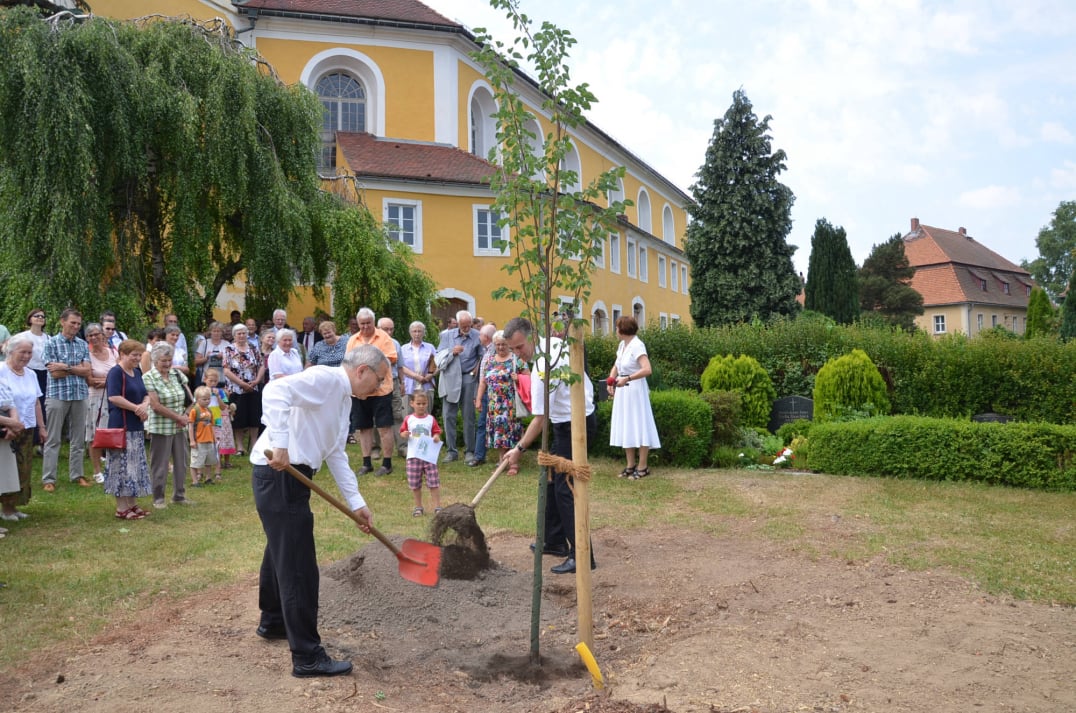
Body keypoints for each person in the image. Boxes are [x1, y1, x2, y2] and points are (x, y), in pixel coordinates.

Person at [250, 344, 387, 678]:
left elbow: (335, 453)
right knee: (298, 566)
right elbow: (275, 390)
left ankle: (274, 621)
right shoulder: (326, 379)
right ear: (362, 371)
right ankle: (308, 657)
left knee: (280, 549)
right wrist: (280, 443)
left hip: (288, 478)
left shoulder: (342, 400)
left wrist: (358, 504)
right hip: (279, 472)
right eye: (379, 380)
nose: (380, 387)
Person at [503, 316, 596, 575]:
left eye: (520, 347)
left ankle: (582, 555)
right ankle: (554, 540)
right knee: (552, 480)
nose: (518, 354)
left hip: (575, 425)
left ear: (532, 336)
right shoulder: (554, 347)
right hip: (567, 422)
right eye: (513, 349)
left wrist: (518, 450)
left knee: (566, 489)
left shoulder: (544, 364)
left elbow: (540, 418)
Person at [42, 308, 92, 491]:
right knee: (53, 438)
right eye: (73, 323)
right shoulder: (51, 343)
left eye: (78, 324)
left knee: (78, 438)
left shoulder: (82, 344)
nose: (76, 327)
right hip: (57, 395)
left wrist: (67, 368)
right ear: (62, 321)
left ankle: (77, 474)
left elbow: (87, 370)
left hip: (80, 394)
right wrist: (76, 368)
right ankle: (49, 478)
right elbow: (54, 373)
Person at [104, 339, 153, 520]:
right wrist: (136, 408)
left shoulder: (137, 371)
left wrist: (144, 405)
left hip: (136, 424)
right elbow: (114, 397)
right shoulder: (116, 372)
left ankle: (132, 503)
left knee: (133, 465)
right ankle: (121, 507)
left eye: (139, 355)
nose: (137, 358)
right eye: (134, 355)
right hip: (121, 425)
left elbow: (146, 393)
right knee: (120, 466)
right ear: (123, 354)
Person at [607, 315, 661, 479]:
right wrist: (610, 381)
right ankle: (630, 464)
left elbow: (647, 369)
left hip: (635, 389)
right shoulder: (622, 345)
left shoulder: (638, 345)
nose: (616, 330)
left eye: (617, 328)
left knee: (639, 424)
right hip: (623, 390)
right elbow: (616, 365)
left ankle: (643, 466)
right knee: (626, 425)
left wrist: (628, 378)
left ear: (623, 329)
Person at [345, 308, 397, 476]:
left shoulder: (384, 338)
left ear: (374, 322)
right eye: (362, 324)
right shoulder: (353, 340)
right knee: (364, 428)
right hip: (360, 392)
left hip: (381, 390)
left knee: (384, 427)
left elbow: (390, 359)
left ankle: (387, 463)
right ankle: (366, 463)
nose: (365, 327)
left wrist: (371, 369)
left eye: (368, 323)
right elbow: (348, 363)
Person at [0, 335, 44, 521]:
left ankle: (14, 505)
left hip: (27, 426)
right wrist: (9, 424)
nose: (26, 356)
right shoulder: (2, 370)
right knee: (7, 469)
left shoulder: (31, 373)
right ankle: (6, 508)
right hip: (7, 429)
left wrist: (42, 427)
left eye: (29, 352)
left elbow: (36, 402)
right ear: (11, 351)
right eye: (22, 352)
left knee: (23, 467)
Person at [144, 342, 193, 509]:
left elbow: (190, 399)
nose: (167, 363)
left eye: (169, 359)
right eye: (163, 360)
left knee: (182, 461)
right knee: (160, 463)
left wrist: (185, 416)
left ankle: (179, 495)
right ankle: (158, 497)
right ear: (155, 360)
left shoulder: (177, 374)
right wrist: (177, 417)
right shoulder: (148, 377)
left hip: (180, 426)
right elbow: (155, 405)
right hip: (161, 427)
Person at [474, 330, 525, 474]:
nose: (501, 347)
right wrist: (478, 399)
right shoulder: (489, 360)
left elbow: (529, 378)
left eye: (503, 344)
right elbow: (483, 382)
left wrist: (518, 378)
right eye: (498, 345)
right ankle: (502, 462)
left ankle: (513, 464)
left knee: (512, 432)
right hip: (494, 404)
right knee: (499, 433)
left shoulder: (516, 359)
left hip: (510, 404)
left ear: (508, 344)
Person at [436, 310, 482, 463]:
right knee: (448, 415)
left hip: (468, 377)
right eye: (463, 326)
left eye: (469, 325)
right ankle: (451, 451)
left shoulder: (477, 335)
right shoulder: (446, 336)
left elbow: (482, 355)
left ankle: (470, 451)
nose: (466, 329)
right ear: (457, 324)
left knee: (469, 415)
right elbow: (438, 356)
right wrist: (452, 351)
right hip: (450, 376)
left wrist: (477, 368)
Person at [224, 323, 265, 457]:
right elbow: (226, 370)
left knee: (254, 416)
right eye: (239, 333)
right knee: (238, 417)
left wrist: (257, 380)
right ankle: (240, 446)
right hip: (236, 388)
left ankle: (254, 444)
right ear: (234, 335)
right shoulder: (229, 349)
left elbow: (261, 366)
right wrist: (242, 383)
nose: (241, 336)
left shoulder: (253, 348)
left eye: (243, 333)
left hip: (253, 386)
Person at [84, 322, 117, 484]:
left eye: (97, 334)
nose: (94, 337)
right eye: (90, 335)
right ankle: (97, 471)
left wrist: (105, 381)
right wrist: (108, 381)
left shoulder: (112, 352)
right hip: (95, 399)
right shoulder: (87, 355)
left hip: (112, 398)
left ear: (103, 336)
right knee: (95, 435)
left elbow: (119, 375)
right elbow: (90, 380)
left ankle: (111, 467)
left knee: (112, 434)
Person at [400, 390, 442, 517]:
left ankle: (437, 506)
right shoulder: (409, 419)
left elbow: (436, 432)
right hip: (413, 456)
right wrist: (405, 434)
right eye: (418, 403)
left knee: (433, 482)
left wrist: (436, 437)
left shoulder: (431, 419)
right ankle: (418, 506)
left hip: (428, 456)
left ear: (427, 403)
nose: (421, 406)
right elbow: (402, 432)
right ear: (412, 403)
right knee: (415, 483)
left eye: (424, 404)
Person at [14, 308, 49, 444]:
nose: (40, 318)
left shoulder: (48, 338)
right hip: (27, 371)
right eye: (37, 316)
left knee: (42, 403)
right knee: (29, 402)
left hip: (44, 372)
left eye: (42, 316)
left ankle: (40, 437)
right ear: (30, 319)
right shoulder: (22, 337)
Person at [0, 369, 27, 523]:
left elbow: (10, 403)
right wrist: (11, 423)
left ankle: (8, 509)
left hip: (6, 431)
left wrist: (13, 425)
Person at [377, 317, 406, 456]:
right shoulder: (373, 343)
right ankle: (375, 448)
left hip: (393, 381)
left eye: (391, 329)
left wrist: (402, 383)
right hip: (377, 382)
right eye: (385, 329)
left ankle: (402, 447)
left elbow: (400, 366)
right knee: (376, 415)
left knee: (397, 414)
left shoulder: (395, 343)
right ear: (378, 329)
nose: (389, 332)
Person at [469, 323, 497, 467]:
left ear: (485, 337)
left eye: (480, 334)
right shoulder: (487, 351)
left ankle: (480, 456)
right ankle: (479, 455)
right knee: (483, 424)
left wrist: (479, 397)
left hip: (492, 394)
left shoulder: (493, 352)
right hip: (486, 392)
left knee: (486, 425)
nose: (479, 336)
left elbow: (484, 379)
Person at [202, 368, 236, 469]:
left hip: (217, 419)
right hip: (205, 419)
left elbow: (224, 406)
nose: (213, 383)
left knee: (219, 439)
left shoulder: (220, 392)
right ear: (205, 379)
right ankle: (206, 461)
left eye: (215, 381)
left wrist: (218, 396)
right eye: (210, 381)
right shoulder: (202, 391)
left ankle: (220, 462)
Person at [188, 386, 220, 486]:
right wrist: (192, 440)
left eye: (209, 399)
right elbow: (190, 426)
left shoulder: (209, 411)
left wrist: (214, 438)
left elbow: (212, 426)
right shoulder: (195, 410)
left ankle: (208, 478)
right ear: (197, 399)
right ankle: (195, 481)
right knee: (196, 461)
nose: (207, 401)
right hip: (199, 441)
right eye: (204, 399)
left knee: (209, 461)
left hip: (209, 440)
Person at [193, 321, 230, 387]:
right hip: (206, 379)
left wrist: (224, 357)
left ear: (222, 332)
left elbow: (232, 362)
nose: (216, 333)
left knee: (221, 396)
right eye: (214, 331)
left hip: (222, 378)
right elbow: (196, 362)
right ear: (210, 332)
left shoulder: (227, 344)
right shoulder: (204, 343)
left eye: (218, 331)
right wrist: (206, 358)